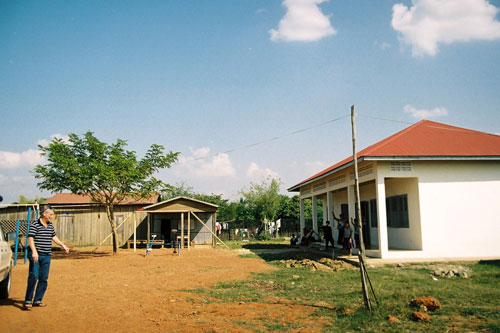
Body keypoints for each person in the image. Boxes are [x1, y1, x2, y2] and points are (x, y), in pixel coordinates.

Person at [24, 207, 69, 310]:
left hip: (46, 255)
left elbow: (53, 237)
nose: (52, 217)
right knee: (34, 276)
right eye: (51, 214)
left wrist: (63, 245)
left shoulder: (50, 225)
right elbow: (30, 238)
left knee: (43, 278)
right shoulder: (35, 225)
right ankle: (28, 300)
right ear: (44, 214)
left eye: (53, 215)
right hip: (36, 254)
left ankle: (38, 300)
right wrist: (34, 252)